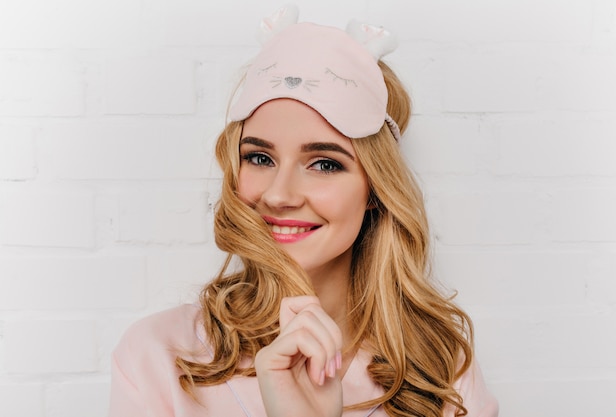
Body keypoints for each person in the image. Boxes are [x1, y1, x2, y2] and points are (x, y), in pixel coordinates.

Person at [108, 6, 498, 417]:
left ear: (374, 190)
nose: (279, 195)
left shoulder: (439, 368)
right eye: (259, 157)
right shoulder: (157, 357)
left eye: (324, 164)